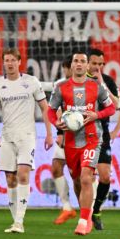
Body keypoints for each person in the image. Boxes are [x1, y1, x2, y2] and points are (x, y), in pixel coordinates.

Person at [47, 51, 116, 235]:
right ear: (71, 66)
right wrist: (56, 123)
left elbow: (111, 108)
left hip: (93, 138)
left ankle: (84, 221)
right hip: (71, 142)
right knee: (77, 180)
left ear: (87, 67)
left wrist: (97, 115)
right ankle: (86, 214)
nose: (78, 64)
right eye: (75, 61)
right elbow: (50, 111)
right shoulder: (61, 88)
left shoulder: (97, 86)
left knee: (87, 177)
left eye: (82, 61)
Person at [0, 48, 54, 233]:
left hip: (27, 136)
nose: (9, 63)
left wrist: (49, 133)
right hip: (7, 137)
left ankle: (19, 221)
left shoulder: (31, 82)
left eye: (12, 60)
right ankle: (16, 220)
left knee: (23, 174)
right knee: (10, 179)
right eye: (6, 60)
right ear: (3, 63)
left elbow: (45, 107)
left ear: (19, 62)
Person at [87, 48, 120, 230]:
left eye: (100, 64)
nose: (97, 67)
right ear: (87, 63)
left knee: (104, 177)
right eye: (94, 63)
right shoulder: (78, 80)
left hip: (101, 135)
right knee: (82, 179)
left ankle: (96, 211)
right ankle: (83, 216)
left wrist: (115, 132)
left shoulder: (108, 82)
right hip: (81, 135)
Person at [49, 56, 77, 225]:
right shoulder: (60, 85)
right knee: (56, 167)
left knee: (80, 177)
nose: (67, 71)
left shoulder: (88, 85)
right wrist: (60, 132)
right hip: (65, 133)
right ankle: (67, 207)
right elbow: (56, 109)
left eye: (68, 67)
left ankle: (90, 211)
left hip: (82, 137)